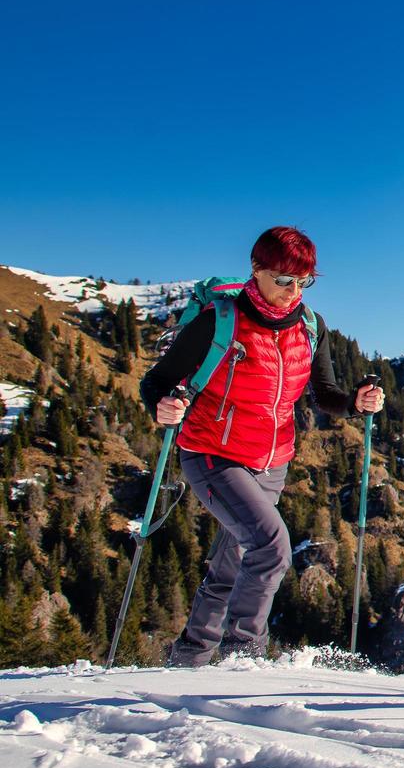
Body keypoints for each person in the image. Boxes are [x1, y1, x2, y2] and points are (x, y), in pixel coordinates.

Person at [140, 226, 384, 666]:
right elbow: (157, 380)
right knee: (271, 548)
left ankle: (189, 659)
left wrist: (354, 402)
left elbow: (323, 393)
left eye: (303, 281)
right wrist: (161, 406)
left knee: (232, 563)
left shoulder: (311, 327)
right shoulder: (220, 320)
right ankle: (243, 657)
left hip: (272, 463)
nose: (293, 291)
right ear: (256, 270)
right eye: (283, 279)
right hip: (213, 454)